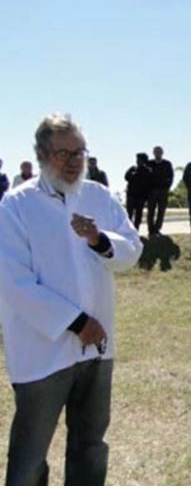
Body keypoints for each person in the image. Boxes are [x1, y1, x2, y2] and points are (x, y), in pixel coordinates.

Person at [0, 114, 142, 485]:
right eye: (66, 153)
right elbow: (14, 283)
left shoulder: (99, 195)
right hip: (43, 352)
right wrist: (77, 323)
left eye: (81, 151)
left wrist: (100, 240)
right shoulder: (15, 206)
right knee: (31, 455)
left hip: (96, 351)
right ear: (43, 154)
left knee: (91, 446)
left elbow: (132, 251)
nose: (77, 160)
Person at [145, 147, 174, 236]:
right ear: (153, 153)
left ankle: (157, 229)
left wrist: (167, 187)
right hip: (152, 191)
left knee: (161, 211)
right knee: (151, 211)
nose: (158, 153)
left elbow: (171, 176)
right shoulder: (149, 163)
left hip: (163, 191)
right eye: (156, 152)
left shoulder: (167, 164)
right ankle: (151, 229)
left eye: (159, 152)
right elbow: (145, 177)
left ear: (162, 153)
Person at [124, 153, 151, 231]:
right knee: (129, 213)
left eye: (139, 160)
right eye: (137, 160)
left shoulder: (147, 170)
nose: (137, 161)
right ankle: (128, 229)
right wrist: (134, 175)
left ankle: (136, 229)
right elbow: (126, 177)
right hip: (131, 194)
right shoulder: (133, 168)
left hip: (141, 196)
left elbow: (146, 182)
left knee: (138, 214)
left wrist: (135, 176)